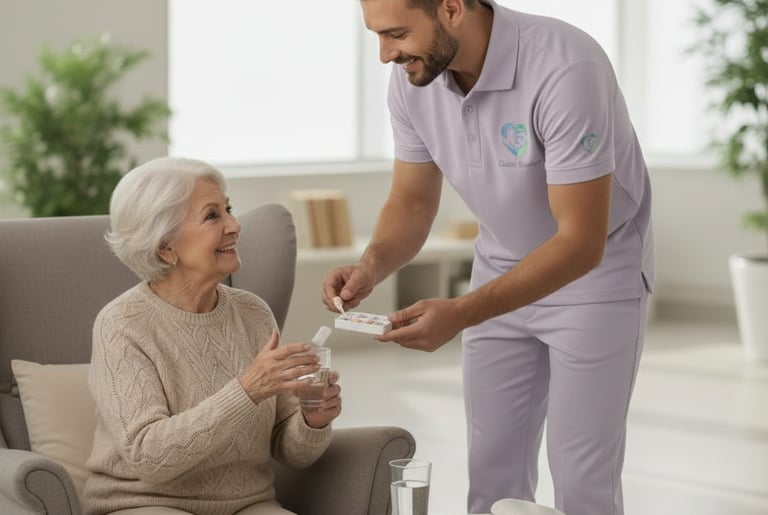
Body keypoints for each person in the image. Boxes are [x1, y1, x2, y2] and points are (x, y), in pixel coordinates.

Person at [322, 1, 653, 514]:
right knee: (493, 474)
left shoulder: (566, 68)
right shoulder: (415, 77)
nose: (386, 54)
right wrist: (371, 266)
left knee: (582, 477)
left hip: (597, 275)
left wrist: (462, 311)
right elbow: (411, 201)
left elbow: (580, 242)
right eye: (377, 36)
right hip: (499, 262)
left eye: (397, 33)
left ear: (452, 8)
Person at [83, 157, 342, 515]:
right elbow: (149, 457)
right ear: (165, 247)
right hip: (144, 503)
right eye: (212, 215)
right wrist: (247, 389)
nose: (235, 225)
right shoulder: (122, 325)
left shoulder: (253, 313)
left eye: (229, 209)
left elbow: (291, 451)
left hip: (247, 504)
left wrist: (314, 419)